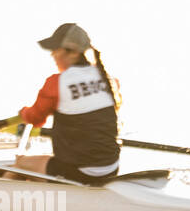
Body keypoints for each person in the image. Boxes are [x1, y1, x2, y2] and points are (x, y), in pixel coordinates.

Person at [13, 23, 120, 184]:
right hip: (111, 167)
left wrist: (24, 113)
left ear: (73, 53)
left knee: (20, 163)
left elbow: (35, 119)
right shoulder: (107, 79)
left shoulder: (57, 83)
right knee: (46, 164)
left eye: (56, 49)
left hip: (80, 173)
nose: (52, 55)